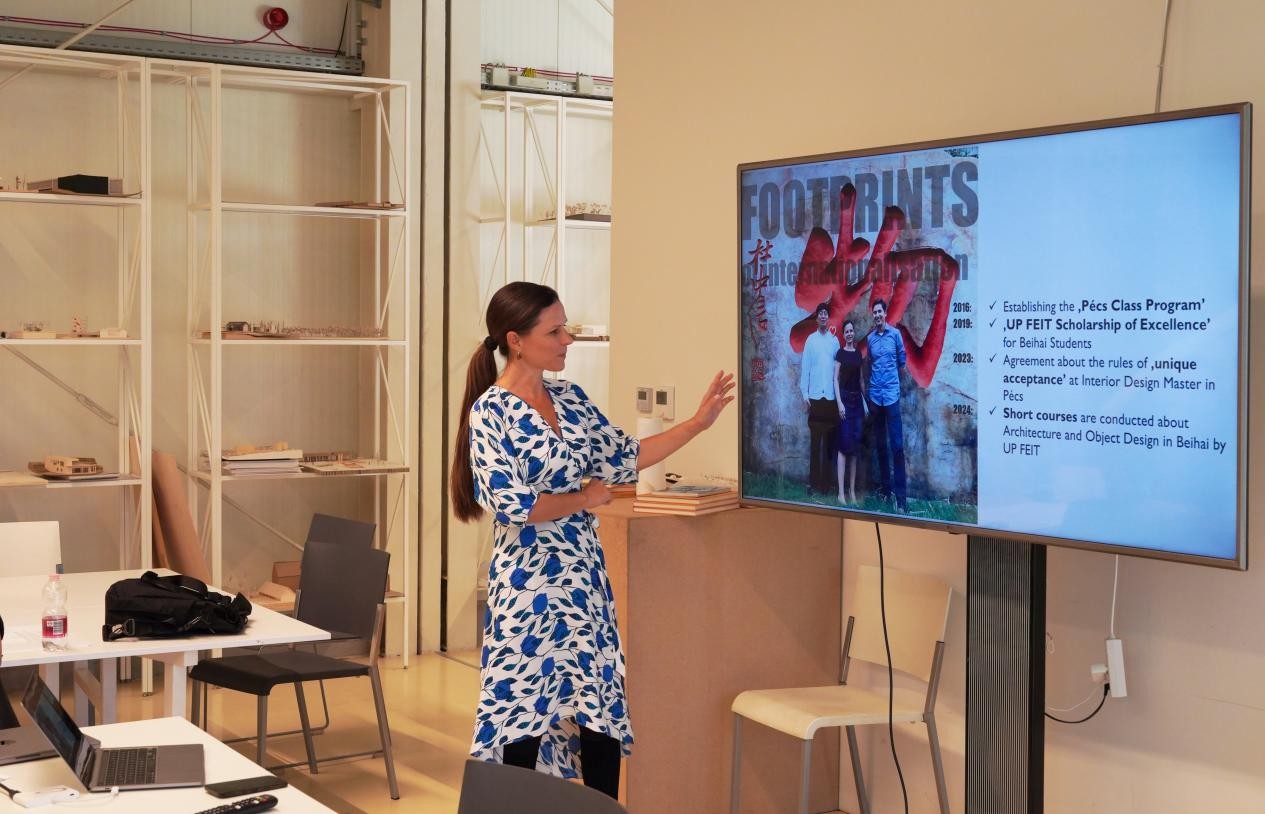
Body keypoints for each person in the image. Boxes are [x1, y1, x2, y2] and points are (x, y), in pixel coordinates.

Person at [449, 281, 734, 799]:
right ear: (516, 340)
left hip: (583, 583)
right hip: (528, 590)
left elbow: (626, 455)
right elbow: (514, 505)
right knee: (522, 717)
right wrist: (585, 498)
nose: (568, 339)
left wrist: (697, 424)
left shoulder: (571, 399)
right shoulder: (489, 412)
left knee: (598, 710)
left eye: (566, 328)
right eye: (555, 331)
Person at [864, 299, 908, 512]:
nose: (877, 315)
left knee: (897, 447)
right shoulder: (870, 339)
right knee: (881, 446)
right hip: (875, 397)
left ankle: (901, 499)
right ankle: (886, 491)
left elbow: (902, 362)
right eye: (874, 312)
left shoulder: (895, 335)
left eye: (880, 311)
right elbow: (870, 362)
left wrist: (892, 382)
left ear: (885, 313)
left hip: (891, 396)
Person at [799, 302, 840, 495]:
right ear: (817, 318)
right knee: (815, 444)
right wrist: (805, 394)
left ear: (828, 318)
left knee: (829, 444)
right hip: (815, 397)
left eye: (826, 313)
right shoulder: (810, 340)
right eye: (820, 313)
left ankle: (826, 485)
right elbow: (805, 368)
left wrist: (838, 398)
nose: (823, 316)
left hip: (830, 398)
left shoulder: (834, 341)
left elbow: (837, 372)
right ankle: (813, 483)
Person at [833, 320, 866, 505]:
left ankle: (852, 492)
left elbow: (861, 380)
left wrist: (865, 402)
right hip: (844, 401)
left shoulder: (858, 354)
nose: (850, 333)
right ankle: (840, 493)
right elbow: (835, 380)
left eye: (852, 330)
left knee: (854, 448)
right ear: (843, 334)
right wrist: (839, 403)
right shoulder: (840, 353)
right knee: (843, 446)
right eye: (847, 331)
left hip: (857, 403)